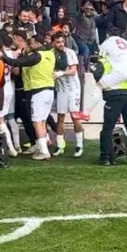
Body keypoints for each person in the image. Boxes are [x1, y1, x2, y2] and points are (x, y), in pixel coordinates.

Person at [3, 31, 59, 161]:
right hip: (49, 90)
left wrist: (2, 56)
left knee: (37, 121)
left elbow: (16, 63)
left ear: (37, 43)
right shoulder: (50, 54)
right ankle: (41, 146)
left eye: (32, 43)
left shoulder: (36, 56)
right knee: (43, 120)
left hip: (38, 91)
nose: (30, 45)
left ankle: (44, 151)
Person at [93, 29, 127, 166]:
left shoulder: (106, 47)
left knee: (108, 127)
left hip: (115, 94)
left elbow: (99, 65)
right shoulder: (126, 45)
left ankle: (105, 157)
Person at [52, 30, 87, 158]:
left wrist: (61, 73)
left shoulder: (70, 52)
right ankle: (60, 145)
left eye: (62, 41)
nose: (61, 44)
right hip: (61, 89)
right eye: (58, 42)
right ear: (53, 43)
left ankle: (79, 144)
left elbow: (73, 71)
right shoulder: (51, 54)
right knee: (60, 117)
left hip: (73, 89)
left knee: (74, 116)